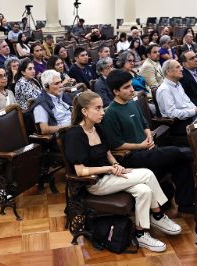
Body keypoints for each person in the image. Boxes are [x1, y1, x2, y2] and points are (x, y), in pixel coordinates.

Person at [65, 91, 181, 252]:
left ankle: (141, 234)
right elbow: (80, 171)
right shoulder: (74, 135)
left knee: (144, 191)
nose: (103, 112)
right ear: (84, 111)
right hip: (95, 183)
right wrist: (110, 168)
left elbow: (107, 153)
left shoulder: (98, 128)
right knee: (147, 173)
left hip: (110, 175)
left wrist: (115, 164)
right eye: (97, 108)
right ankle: (158, 215)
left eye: (102, 108)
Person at [102, 69, 196, 213]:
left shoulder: (132, 104)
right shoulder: (110, 113)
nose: (131, 90)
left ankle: (187, 205)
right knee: (177, 152)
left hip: (148, 150)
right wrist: (140, 145)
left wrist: (149, 136)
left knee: (180, 161)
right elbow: (116, 145)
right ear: (116, 91)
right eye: (126, 87)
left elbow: (145, 125)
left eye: (131, 85)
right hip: (132, 157)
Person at [157, 60, 197, 136]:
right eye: (177, 67)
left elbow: (188, 102)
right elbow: (172, 114)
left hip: (189, 118)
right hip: (178, 124)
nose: (182, 69)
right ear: (168, 72)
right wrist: (194, 111)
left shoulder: (178, 84)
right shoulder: (164, 90)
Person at [31, 70, 72, 134]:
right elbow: (44, 129)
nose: (61, 85)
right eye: (56, 83)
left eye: (60, 82)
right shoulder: (41, 104)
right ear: (46, 86)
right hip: (64, 135)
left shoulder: (61, 95)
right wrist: (69, 126)